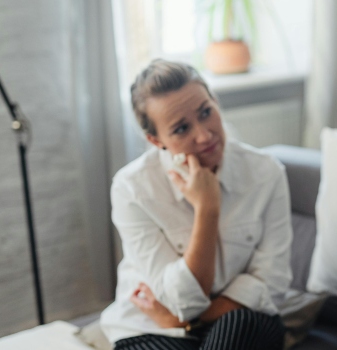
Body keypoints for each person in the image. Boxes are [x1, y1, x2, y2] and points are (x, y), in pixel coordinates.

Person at [100, 59, 292, 350]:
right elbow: (180, 300)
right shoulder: (132, 188)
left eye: (206, 112)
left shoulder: (266, 173)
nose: (204, 135)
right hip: (152, 328)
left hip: (240, 320)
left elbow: (272, 283)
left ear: (215, 101)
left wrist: (186, 322)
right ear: (155, 140)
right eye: (181, 129)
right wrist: (207, 209)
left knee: (239, 324)